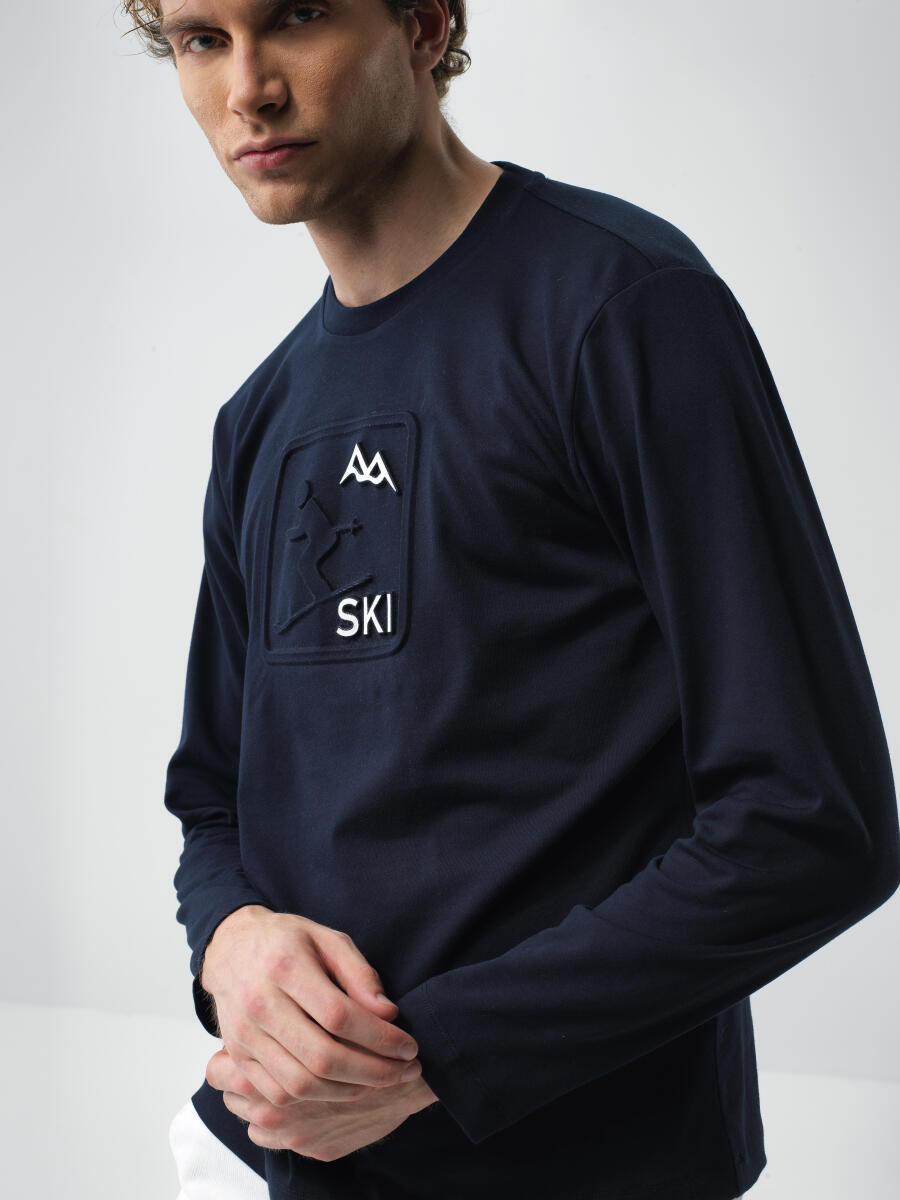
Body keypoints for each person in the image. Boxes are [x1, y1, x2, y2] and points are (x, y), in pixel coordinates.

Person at [122, 1, 900, 1197]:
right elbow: (213, 801)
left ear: (425, 24)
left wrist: (433, 1059)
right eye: (200, 38)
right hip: (291, 1161)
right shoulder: (261, 419)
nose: (249, 88)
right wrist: (230, 938)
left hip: (593, 1172)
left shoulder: (621, 308)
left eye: (298, 15)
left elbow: (813, 820)